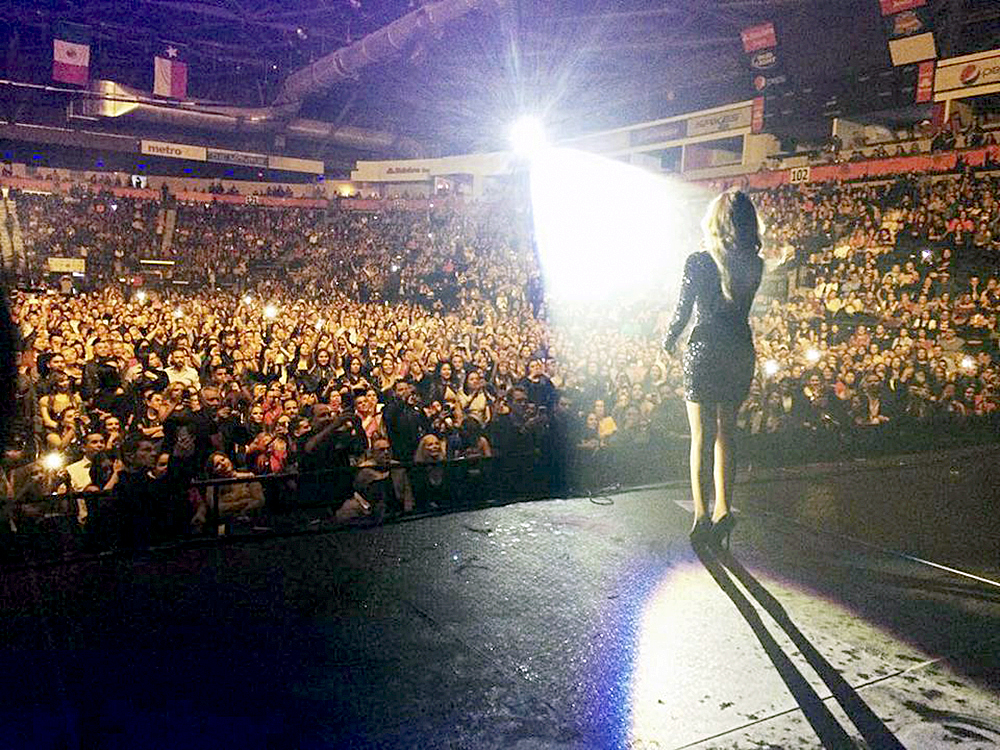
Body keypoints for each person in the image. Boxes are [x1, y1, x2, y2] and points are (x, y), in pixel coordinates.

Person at [663, 189, 763, 547]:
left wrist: (668, 341)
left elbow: (683, 311)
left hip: (704, 350)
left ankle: (701, 514)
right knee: (727, 435)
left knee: (700, 438)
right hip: (738, 349)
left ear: (714, 221)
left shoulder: (698, 262)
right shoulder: (755, 263)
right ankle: (724, 508)